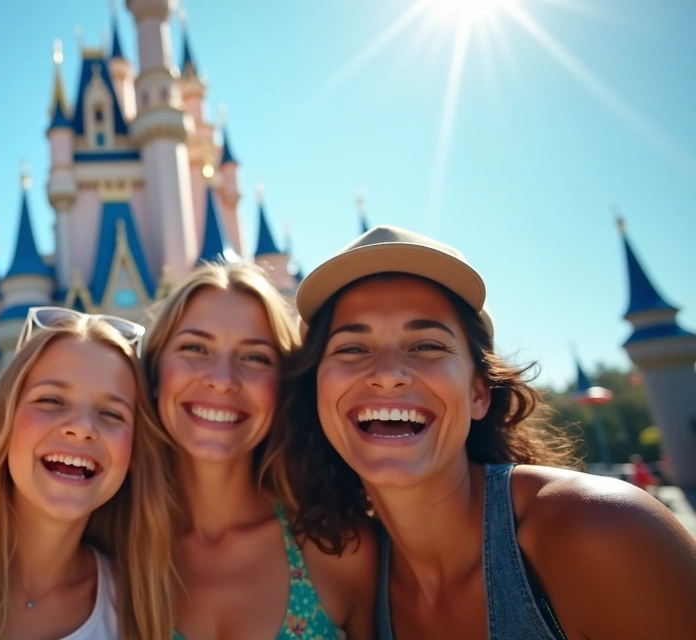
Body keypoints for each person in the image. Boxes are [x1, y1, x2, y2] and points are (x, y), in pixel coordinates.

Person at [283, 225, 696, 639]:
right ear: (316, 392)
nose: (388, 374)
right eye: (352, 348)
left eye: (427, 345)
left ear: (479, 393)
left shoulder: (602, 528)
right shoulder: (352, 580)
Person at [0, 308, 177, 640]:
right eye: (52, 400)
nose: (82, 429)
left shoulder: (137, 607)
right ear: (5, 420)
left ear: (135, 451)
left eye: (111, 413)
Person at [141, 262, 376, 640]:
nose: (222, 380)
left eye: (254, 357)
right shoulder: (111, 551)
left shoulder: (341, 549)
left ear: (282, 386)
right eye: (195, 348)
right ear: (154, 374)